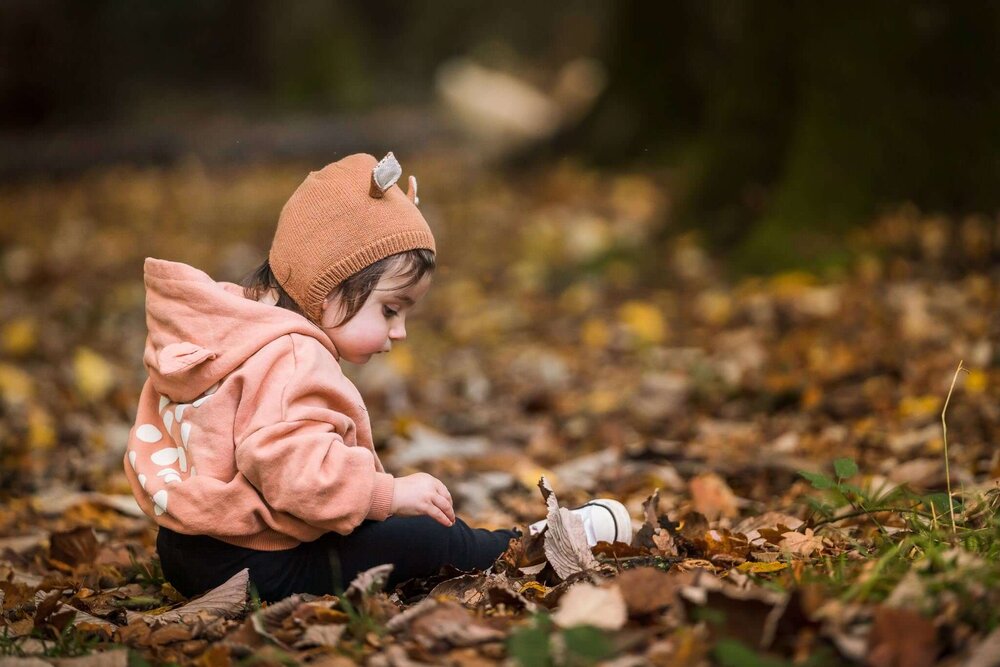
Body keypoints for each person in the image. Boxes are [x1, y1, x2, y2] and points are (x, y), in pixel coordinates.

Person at [123, 152, 630, 602]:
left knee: (379, 527)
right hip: (253, 563)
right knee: (425, 538)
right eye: (391, 309)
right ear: (330, 291)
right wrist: (385, 494)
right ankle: (529, 547)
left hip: (186, 547)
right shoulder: (293, 355)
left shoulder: (231, 329)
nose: (400, 331)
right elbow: (289, 469)